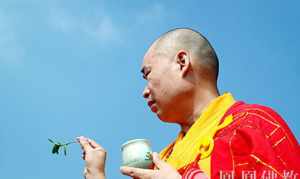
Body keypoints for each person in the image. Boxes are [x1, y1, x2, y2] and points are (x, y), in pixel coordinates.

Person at [77, 28, 300, 179]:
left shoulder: (254, 125)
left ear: (182, 62)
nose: (144, 92)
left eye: (148, 75)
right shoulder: (162, 161)